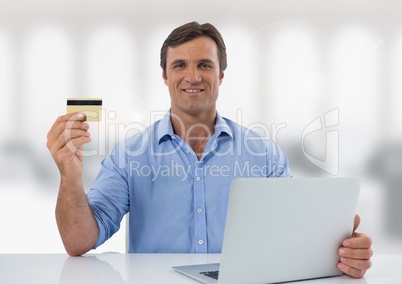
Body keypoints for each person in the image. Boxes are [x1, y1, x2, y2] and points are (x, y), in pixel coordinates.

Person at [46, 21, 372, 278]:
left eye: (204, 64)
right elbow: (79, 242)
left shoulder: (264, 155)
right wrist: (70, 177)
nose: (193, 76)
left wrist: (343, 254)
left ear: (221, 75)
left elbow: (292, 237)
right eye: (179, 65)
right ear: (164, 76)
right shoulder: (128, 156)